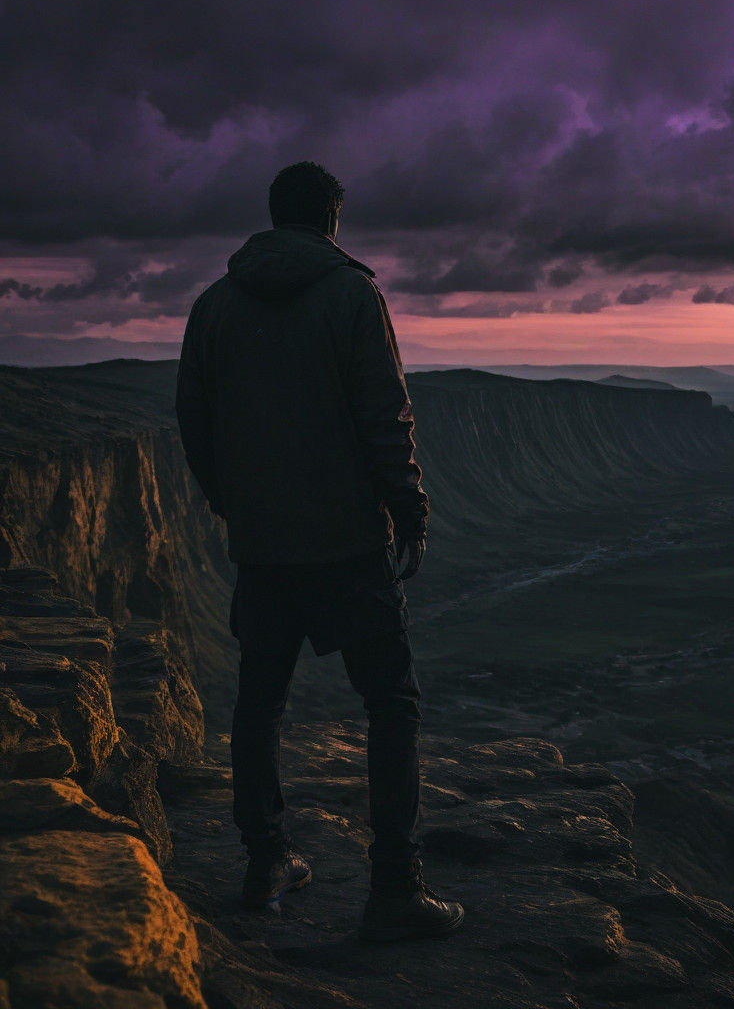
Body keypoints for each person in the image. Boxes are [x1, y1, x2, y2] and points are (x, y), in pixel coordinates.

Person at [175, 160, 463, 941]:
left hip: (263, 547)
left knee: (260, 702)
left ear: (274, 218)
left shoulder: (213, 306)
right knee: (391, 703)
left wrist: (235, 504)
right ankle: (395, 888)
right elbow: (385, 416)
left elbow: (194, 425)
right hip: (346, 544)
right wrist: (410, 511)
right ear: (333, 220)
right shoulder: (352, 296)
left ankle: (266, 860)